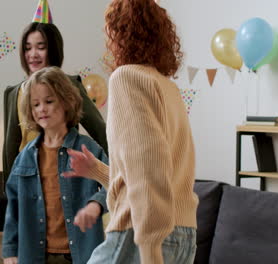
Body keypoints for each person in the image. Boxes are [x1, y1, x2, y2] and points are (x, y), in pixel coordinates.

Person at [63, 1, 198, 263]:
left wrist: (149, 247)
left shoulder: (127, 78)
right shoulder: (168, 89)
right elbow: (159, 168)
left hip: (142, 233)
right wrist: (98, 171)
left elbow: (149, 166)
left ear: (120, 34)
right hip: (184, 233)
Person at [2, 67, 108, 264]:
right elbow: (13, 207)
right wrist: (10, 250)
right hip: (35, 255)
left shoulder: (88, 149)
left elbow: (117, 183)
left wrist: (96, 204)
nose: (41, 108)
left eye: (49, 101)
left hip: (81, 254)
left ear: (67, 103)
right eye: (35, 104)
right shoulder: (24, 157)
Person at [3, 0, 108, 190]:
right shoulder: (14, 93)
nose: (33, 54)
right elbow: (10, 148)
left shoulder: (70, 85)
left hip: (64, 183)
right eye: (28, 47)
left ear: (53, 48)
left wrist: (113, 179)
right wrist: (10, 196)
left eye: (40, 47)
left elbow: (100, 132)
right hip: (27, 184)